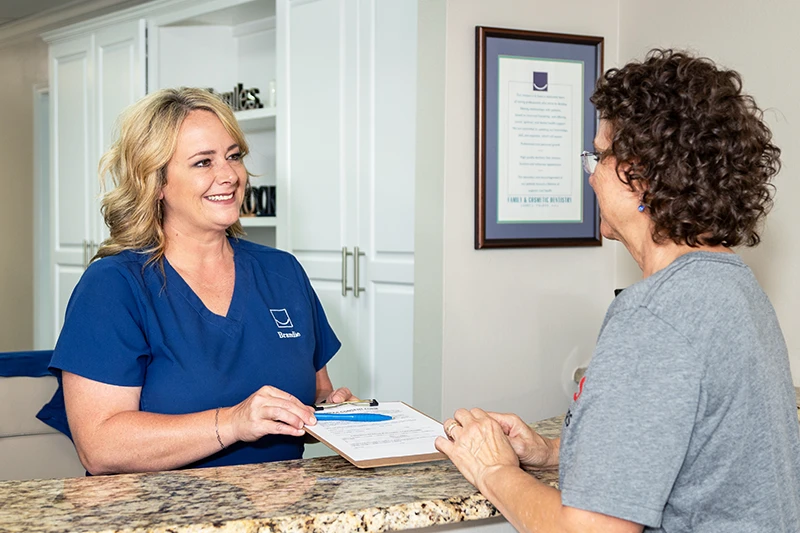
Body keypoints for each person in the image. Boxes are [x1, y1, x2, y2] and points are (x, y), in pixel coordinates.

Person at [436, 49, 800, 532]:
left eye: (598, 156)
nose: (590, 173)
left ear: (640, 173)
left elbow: (590, 530)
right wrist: (548, 453)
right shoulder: (733, 287)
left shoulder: (654, 315)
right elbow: (691, 447)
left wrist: (493, 469)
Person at [43, 87, 355, 475]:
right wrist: (234, 422)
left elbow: (317, 390)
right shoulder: (113, 287)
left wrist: (331, 412)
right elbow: (100, 445)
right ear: (156, 182)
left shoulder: (282, 273)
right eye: (203, 162)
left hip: (277, 508)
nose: (229, 175)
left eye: (233, 156)